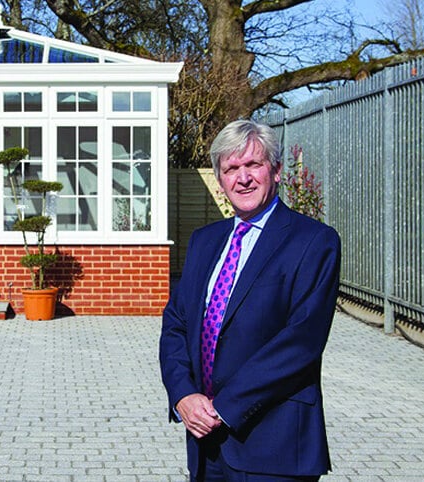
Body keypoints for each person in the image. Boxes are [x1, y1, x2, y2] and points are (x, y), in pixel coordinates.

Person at [159, 119, 341, 481]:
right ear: (220, 179)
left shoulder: (313, 241)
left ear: (275, 171)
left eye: (253, 165)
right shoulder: (204, 241)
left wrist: (223, 408)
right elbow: (176, 324)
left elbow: (301, 340)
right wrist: (183, 395)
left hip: (274, 445)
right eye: (231, 168)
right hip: (204, 441)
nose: (243, 178)